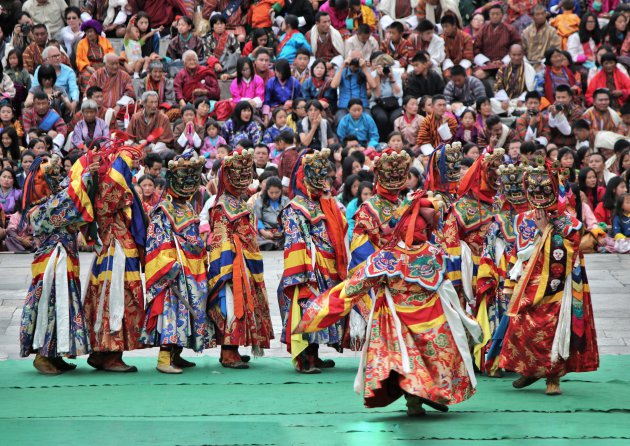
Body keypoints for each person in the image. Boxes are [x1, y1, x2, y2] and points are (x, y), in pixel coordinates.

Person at [295, 191, 482, 416]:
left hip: (400, 317)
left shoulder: (387, 257)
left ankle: (418, 397)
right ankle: (419, 396)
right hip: (430, 318)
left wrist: (322, 309)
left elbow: (356, 286)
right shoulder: (434, 253)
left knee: (408, 358)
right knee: (432, 358)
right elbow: (447, 288)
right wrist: (461, 316)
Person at [499, 157, 599, 395]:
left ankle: (552, 377)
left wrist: (546, 231)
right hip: (531, 281)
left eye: (544, 190)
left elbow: (571, 251)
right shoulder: (525, 218)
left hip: (558, 285)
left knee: (554, 328)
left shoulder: (569, 222)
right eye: (534, 191)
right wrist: (512, 280)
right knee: (522, 323)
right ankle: (530, 369)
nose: (539, 195)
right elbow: (518, 249)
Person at [19, 154, 95, 374]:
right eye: (51, 178)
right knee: (52, 306)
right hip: (52, 269)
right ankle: (43, 356)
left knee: (65, 304)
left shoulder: (52, 200)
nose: (57, 180)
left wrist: (89, 169)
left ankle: (57, 353)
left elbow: (68, 190)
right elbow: (69, 199)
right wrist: (86, 173)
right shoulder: (39, 210)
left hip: (65, 263)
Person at [279, 148, 348, 373]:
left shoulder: (323, 202)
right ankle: (304, 359)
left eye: (324, 176)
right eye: (316, 177)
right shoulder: (294, 207)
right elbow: (295, 240)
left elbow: (339, 227)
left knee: (322, 310)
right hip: (310, 267)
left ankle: (315, 355)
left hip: (327, 266)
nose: (322, 182)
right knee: (307, 308)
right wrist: (306, 269)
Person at [140, 150, 209, 374]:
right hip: (174, 271)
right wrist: (170, 267)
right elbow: (156, 241)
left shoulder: (188, 207)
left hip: (193, 269)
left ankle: (177, 354)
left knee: (190, 312)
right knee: (172, 312)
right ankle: (164, 358)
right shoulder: (163, 210)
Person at [83, 136, 147, 373]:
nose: (134, 171)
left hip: (112, 245)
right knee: (116, 296)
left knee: (105, 295)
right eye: (131, 166)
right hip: (115, 247)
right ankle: (111, 353)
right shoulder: (111, 185)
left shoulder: (103, 181)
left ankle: (101, 353)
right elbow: (112, 202)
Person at [207, 148, 274, 368]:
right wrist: (230, 267)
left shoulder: (239, 202)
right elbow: (221, 240)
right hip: (232, 265)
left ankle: (233, 348)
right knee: (230, 306)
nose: (244, 180)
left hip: (245, 261)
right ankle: (228, 352)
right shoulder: (221, 206)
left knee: (243, 306)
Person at [475, 162, 530, 377]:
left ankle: (525, 360)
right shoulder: (498, 221)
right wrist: (488, 276)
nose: (516, 195)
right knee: (502, 314)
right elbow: (489, 251)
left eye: (520, 190)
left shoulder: (536, 219)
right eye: (512, 190)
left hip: (527, 274)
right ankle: (496, 359)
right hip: (504, 277)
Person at [442, 147, 506, 310]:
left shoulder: (500, 204)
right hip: (471, 273)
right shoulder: (460, 208)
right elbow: (451, 246)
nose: (496, 178)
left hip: (497, 270)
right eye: (491, 173)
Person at [349, 148, 411, 273]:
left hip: (407, 264)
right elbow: (359, 248)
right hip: (381, 270)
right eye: (389, 175)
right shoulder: (367, 209)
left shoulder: (403, 204)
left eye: (399, 174)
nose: (394, 180)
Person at [330, 50, 378, 125]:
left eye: (358, 59)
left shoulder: (365, 70)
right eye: (354, 59)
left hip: (362, 107)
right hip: (344, 107)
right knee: (341, 121)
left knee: (368, 121)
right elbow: (333, 85)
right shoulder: (342, 70)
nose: (356, 61)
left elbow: (374, 85)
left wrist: (364, 69)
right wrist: (343, 66)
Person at [473, 4, 522, 74]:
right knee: (478, 75)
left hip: (506, 63)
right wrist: (488, 62)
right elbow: (476, 49)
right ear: (489, 15)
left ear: (502, 15)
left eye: (497, 14)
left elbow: (517, 46)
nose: (495, 16)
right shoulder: (483, 29)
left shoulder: (510, 29)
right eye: (492, 14)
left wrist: (502, 61)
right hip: (487, 64)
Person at [32, 45, 78, 112]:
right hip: (42, 102)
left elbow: (74, 89)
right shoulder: (39, 70)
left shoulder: (68, 71)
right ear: (46, 60)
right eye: (54, 56)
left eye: (58, 55)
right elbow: (34, 88)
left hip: (63, 104)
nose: (57, 58)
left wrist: (74, 102)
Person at [75, 19, 114, 93]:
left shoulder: (105, 41)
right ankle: (87, 96)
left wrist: (106, 67)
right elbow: (79, 59)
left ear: (96, 32)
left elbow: (111, 54)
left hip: (104, 65)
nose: (89, 34)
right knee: (86, 76)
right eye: (87, 32)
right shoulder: (81, 43)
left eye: (91, 31)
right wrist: (88, 67)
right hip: (88, 66)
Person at [369, 53, 403, 139]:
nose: (385, 69)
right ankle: (383, 140)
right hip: (378, 103)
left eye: (387, 66)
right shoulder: (373, 75)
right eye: (383, 66)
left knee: (394, 118)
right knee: (382, 118)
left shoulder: (395, 74)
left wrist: (392, 79)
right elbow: (377, 95)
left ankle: (394, 140)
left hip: (394, 103)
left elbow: (399, 94)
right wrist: (377, 77)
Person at [424, 142, 463, 211]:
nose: (457, 166)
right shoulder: (432, 197)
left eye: (458, 162)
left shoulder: (461, 192)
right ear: (436, 168)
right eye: (449, 163)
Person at [254, 176, 289, 251]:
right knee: (254, 236)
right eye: (271, 193)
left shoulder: (286, 201)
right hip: (265, 232)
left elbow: (289, 218)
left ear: (281, 190)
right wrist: (263, 232)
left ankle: (277, 244)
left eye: (277, 192)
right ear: (266, 191)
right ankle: (270, 244)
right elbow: (257, 219)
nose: (274, 195)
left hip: (282, 231)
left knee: (292, 235)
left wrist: (282, 231)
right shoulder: (259, 201)